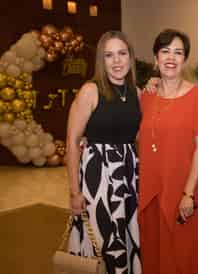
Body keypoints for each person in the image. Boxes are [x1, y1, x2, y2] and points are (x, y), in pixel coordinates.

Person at [66, 31, 142, 273]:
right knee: (100, 241)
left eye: (122, 53)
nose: (117, 61)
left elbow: (141, 137)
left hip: (128, 179)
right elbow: (72, 141)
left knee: (127, 239)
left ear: (130, 58)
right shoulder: (90, 90)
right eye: (109, 55)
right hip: (96, 180)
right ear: (102, 60)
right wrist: (74, 192)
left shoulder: (137, 94)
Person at [138, 29, 198, 274]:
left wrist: (188, 194)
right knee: (153, 254)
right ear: (156, 58)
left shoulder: (196, 98)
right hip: (151, 191)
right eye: (165, 51)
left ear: (185, 59)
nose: (171, 58)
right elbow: (134, 133)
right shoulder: (147, 96)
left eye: (178, 52)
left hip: (183, 190)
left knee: (182, 257)